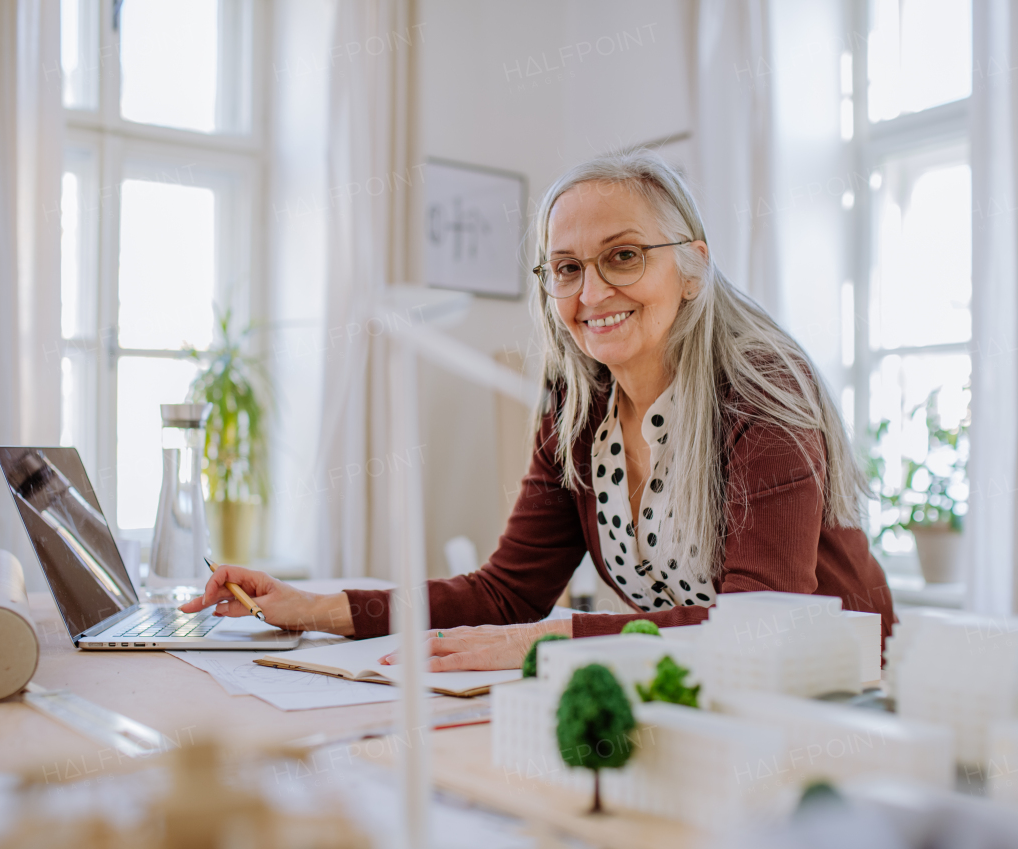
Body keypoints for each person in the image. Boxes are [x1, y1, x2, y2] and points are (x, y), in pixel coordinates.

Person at [181, 150, 894, 670]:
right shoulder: (576, 403)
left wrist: (550, 638)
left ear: (693, 266)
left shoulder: (764, 389)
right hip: (704, 697)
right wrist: (310, 606)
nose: (590, 294)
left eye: (623, 255)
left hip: (842, 699)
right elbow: (506, 593)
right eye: (567, 268)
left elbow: (759, 626)